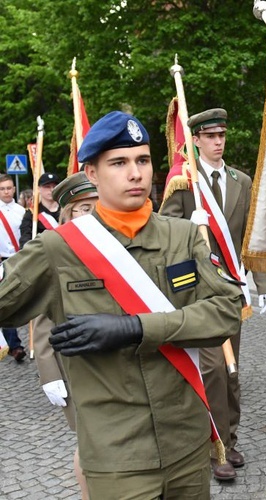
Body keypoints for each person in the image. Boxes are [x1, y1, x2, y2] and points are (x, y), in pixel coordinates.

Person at [0, 111, 244, 499]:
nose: (136, 174)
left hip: (187, 444)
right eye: (119, 163)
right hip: (118, 453)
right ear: (92, 174)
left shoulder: (183, 236)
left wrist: (136, 328)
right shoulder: (58, 249)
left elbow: (227, 311)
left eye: (143, 160)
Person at [160, 107, 266, 481]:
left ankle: (230, 436)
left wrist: (264, 284)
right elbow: (161, 234)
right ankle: (214, 447)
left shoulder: (241, 181)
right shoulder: (184, 182)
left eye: (221, 135)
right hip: (197, 292)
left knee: (230, 371)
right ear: (195, 140)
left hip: (231, 291)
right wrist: (185, 227)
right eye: (210, 136)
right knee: (210, 368)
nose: (218, 142)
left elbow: (249, 239)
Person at [34, 171, 99, 500]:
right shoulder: (56, 253)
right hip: (74, 369)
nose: (91, 215)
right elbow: (43, 321)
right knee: (89, 446)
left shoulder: (115, 247)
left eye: (96, 207)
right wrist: (48, 373)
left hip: (112, 365)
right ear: (68, 214)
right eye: (82, 208)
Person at [0, 174, 26, 362]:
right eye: (2, 189)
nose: (7, 191)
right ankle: (15, 346)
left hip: (20, 258)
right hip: (1, 260)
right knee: (5, 301)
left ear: (14, 189)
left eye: (9, 188)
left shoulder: (22, 211)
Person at [20, 171, 60, 246]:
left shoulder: (66, 209)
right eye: (47, 186)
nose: (51, 190)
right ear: (38, 189)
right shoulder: (32, 213)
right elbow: (25, 239)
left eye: (54, 186)